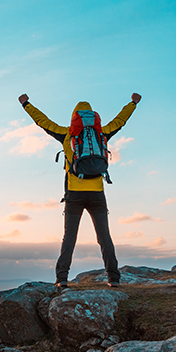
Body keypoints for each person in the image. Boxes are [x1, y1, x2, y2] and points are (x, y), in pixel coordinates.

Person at [18, 93, 142, 287]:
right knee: (104, 238)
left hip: (74, 194)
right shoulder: (102, 133)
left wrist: (26, 104)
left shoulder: (68, 134)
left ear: (74, 117)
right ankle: (114, 279)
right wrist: (133, 103)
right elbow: (120, 121)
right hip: (97, 194)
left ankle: (61, 279)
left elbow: (43, 121)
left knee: (69, 238)